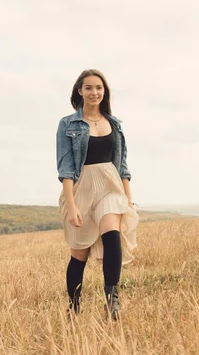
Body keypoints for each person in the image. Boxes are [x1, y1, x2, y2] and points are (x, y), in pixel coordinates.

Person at [56, 69, 139, 321]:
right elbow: (66, 168)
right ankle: (74, 306)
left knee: (112, 233)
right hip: (81, 188)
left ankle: (111, 300)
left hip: (110, 186)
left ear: (105, 92)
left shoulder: (114, 124)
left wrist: (129, 199)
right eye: (89, 88)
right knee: (79, 255)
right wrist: (71, 206)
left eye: (99, 88)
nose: (95, 92)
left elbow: (122, 166)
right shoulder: (67, 124)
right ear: (79, 91)